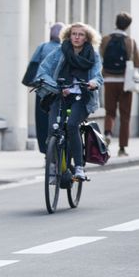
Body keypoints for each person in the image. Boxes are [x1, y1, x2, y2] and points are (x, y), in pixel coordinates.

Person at [34, 22, 103, 180]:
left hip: (81, 96)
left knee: (72, 125)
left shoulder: (93, 54)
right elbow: (43, 71)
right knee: (53, 129)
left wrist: (93, 83)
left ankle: (78, 168)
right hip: (60, 95)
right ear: (68, 35)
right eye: (74, 34)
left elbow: (97, 75)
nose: (77, 37)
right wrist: (55, 86)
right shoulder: (60, 51)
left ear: (87, 38)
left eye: (81, 35)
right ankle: (55, 165)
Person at [100, 12, 139, 157]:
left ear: (116, 22)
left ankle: (108, 133)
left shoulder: (105, 39)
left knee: (109, 112)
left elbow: (101, 57)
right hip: (125, 82)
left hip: (109, 80)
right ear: (128, 25)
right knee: (125, 115)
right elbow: (137, 62)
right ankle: (122, 148)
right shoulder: (130, 41)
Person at [28, 22, 65, 154]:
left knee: (41, 119)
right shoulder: (63, 49)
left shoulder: (42, 47)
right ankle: (59, 149)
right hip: (60, 89)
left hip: (43, 89)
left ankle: (45, 151)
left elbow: (33, 65)